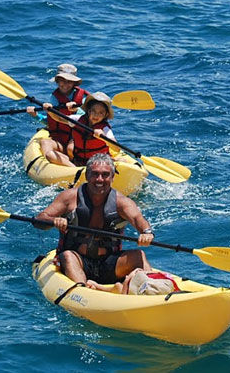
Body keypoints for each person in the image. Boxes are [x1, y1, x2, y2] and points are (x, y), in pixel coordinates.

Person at [33, 153, 154, 291]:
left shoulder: (122, 202)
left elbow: (138, 219)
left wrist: (147, 233)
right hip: (78, 261)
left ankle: (151, 289)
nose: (100, 179)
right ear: (87, 176)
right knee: (67, 255)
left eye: (105, 175)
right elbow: (39, 219)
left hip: (109, 265)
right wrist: (54, 220)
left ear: (112, 177)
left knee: (139, 256)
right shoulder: (70, 197)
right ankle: (84, 291)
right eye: (95, 174)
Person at [26, 63, 91, 164]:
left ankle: (76, 164)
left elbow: (87, 119)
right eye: (62, 81)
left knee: (71, 148)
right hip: (60, 138)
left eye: (69, 81)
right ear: (57, 81)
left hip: (78, 138)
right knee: (45, 143)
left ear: (74, 83)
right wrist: (36, 115)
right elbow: (52, 122)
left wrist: (76, 110)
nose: (65, 84)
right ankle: (66, 166)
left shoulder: (82, 98)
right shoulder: (54, 98)